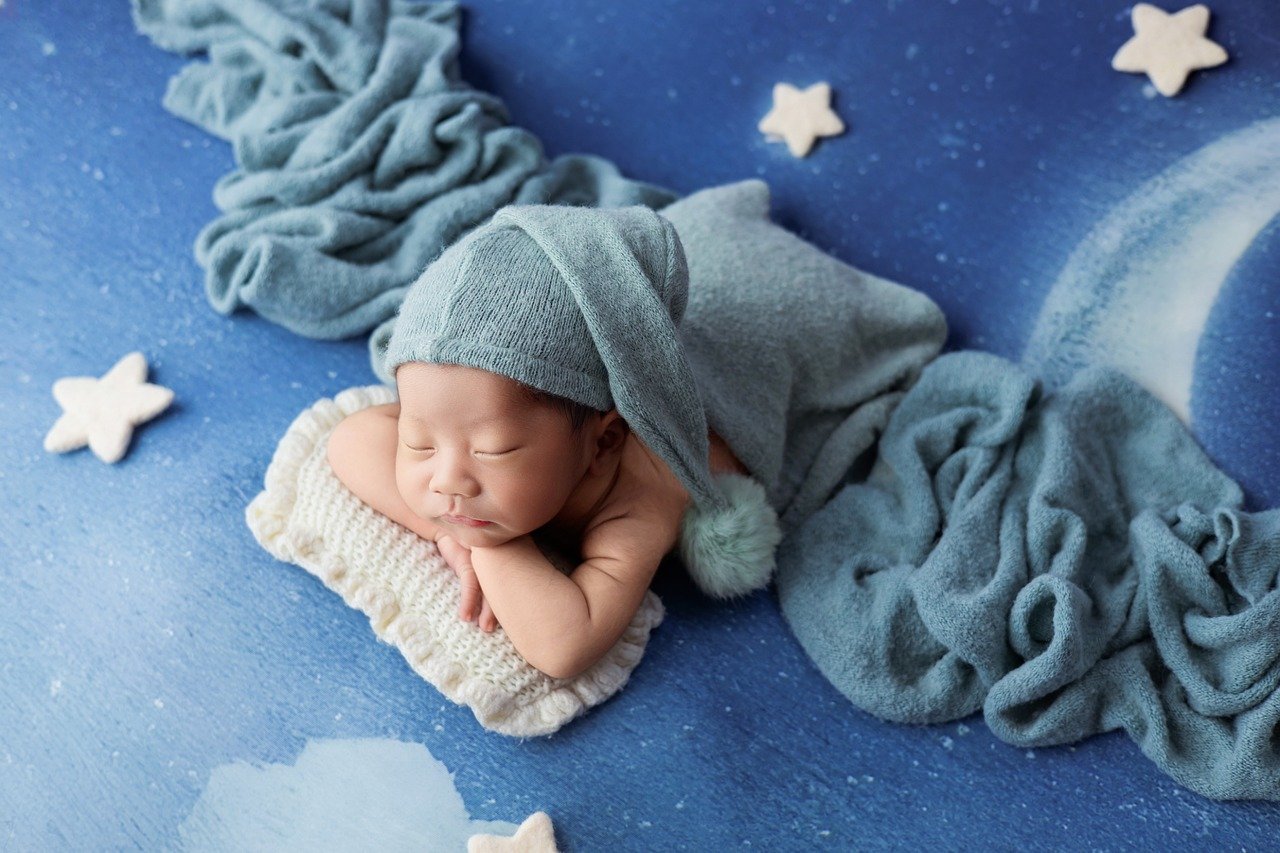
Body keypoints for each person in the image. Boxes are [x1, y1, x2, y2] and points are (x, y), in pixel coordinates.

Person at [326, 202, 751, 681]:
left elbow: (564, 646)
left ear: (604, 442)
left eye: (492, 451)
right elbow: (349, 439)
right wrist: (450, 532)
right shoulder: (461, 400)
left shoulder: (638, 495)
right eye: (419, 443)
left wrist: (491, 546)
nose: (448, 482)